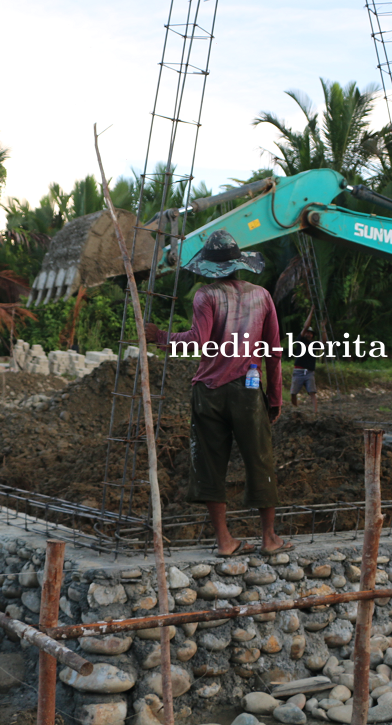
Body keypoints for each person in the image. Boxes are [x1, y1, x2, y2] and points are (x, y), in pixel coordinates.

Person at [144, 229, 289, 557]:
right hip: (249, 390)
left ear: (209, 266)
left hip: (209, 392)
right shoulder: (262, 296)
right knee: (260, 459)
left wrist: (160, 336)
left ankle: (225, 541)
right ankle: (269, 538)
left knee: (209, 464)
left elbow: (197, 341)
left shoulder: (205, 296)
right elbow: (274, 352)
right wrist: (275, 396)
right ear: (239, 264)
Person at [290, 322, 319, 415]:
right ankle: (295, 408)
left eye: (310, 333)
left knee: (312, 392)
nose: (308, 334)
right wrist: (311, 311)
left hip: (309, 372)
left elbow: (324, 342)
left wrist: (323, 327)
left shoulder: (314, 345)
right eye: (307, 332)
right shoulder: (300, 341)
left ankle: (315, 412)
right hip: (298, 370)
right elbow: (305, 326)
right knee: (293, 393)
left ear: (312, 335)